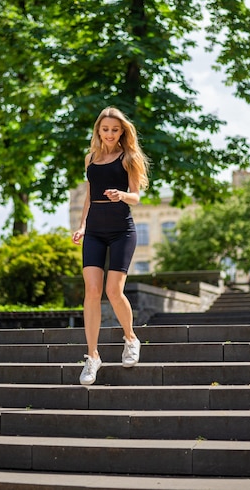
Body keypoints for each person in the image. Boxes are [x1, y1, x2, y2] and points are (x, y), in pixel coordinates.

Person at [72, 106, 149, 386]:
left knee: (113, 290)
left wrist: (122, 195)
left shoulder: (129, 157)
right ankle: (92, 356)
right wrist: (82, 226)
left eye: (115, 130)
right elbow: (89, 197)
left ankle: (130, 338)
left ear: (122, 131)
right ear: (98, 130)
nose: (110, 134)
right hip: (94, 230)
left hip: (121, 231)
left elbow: (137, 197)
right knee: (92, 291)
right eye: (105, 129)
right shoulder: (90, 158)